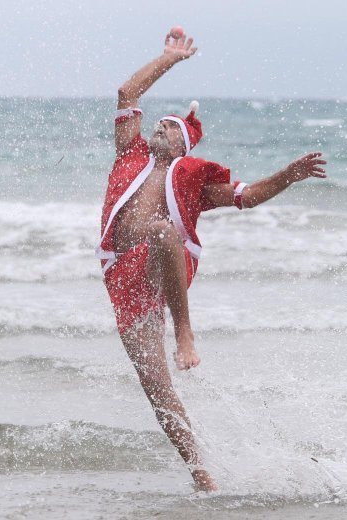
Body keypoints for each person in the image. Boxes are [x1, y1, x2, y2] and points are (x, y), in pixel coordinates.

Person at [96, 31, 327, 491]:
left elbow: (249, 196)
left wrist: (289, 175)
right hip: (121, 274)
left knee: (162, 229)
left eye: (168, 127)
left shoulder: (194, 184)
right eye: (157, 124)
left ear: (182, 146)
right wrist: (170, 59)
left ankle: (184, 331)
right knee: (156, 389)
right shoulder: (130, 153)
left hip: (163, 267)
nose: (158, 128)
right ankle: (203, 477)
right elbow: (126, 93)